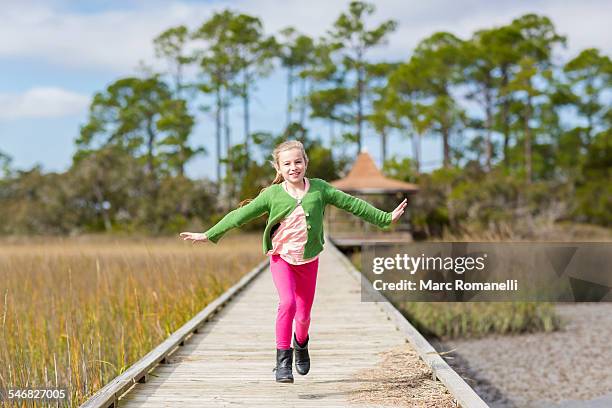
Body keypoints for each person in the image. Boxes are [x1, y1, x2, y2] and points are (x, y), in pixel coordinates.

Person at [179, 140, 407, 384]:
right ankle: (283, 362)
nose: (293, 167)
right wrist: (209, 234)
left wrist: (384, 218)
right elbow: (239, 216)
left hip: (308, 260)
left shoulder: (320, 189)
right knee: (287, 303)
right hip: (281, 257)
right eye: (287, 163)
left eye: (298, 162)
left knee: (304, 315)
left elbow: (352, 204)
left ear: (306, 163)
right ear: (278, 168)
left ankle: (301, 344)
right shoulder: (272, 194)